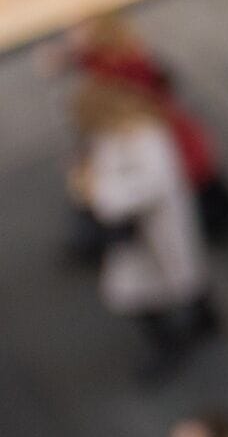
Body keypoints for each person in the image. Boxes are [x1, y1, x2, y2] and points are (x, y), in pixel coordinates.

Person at [77, 77, 218, 382]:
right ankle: (190, 324)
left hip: (155, 226)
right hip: (141, 230)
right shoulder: (115, 135)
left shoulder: (144, 135)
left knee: (177, 276)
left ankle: (190, 329)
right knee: (144, 287)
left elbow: (154, 183)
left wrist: (102, 194)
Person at [65, 12, 228, 246]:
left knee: (184, 178)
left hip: (159, 127)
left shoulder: (117, 65)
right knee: (194, 178)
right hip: (162, 125)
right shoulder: (120, 54)